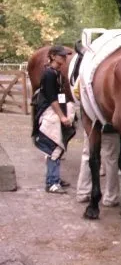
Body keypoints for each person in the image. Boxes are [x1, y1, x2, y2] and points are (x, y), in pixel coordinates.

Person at [32, 45, 76, 194]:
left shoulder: (57, 73)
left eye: (65, 55)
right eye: (61, 55)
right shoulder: (49, 74)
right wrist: (62, 116)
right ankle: (52, 182)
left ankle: (54, 178)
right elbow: (52, 98)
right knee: (54, 148)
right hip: (50, 113)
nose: (64, 58)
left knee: (58, 147)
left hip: (55, 112)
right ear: (52, 56)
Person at [75, 133, 121, 205]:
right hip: (109, 129)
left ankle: (83, 193)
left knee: (88, 155)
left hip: (91, 129)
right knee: (111, 159)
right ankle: (110, 198)